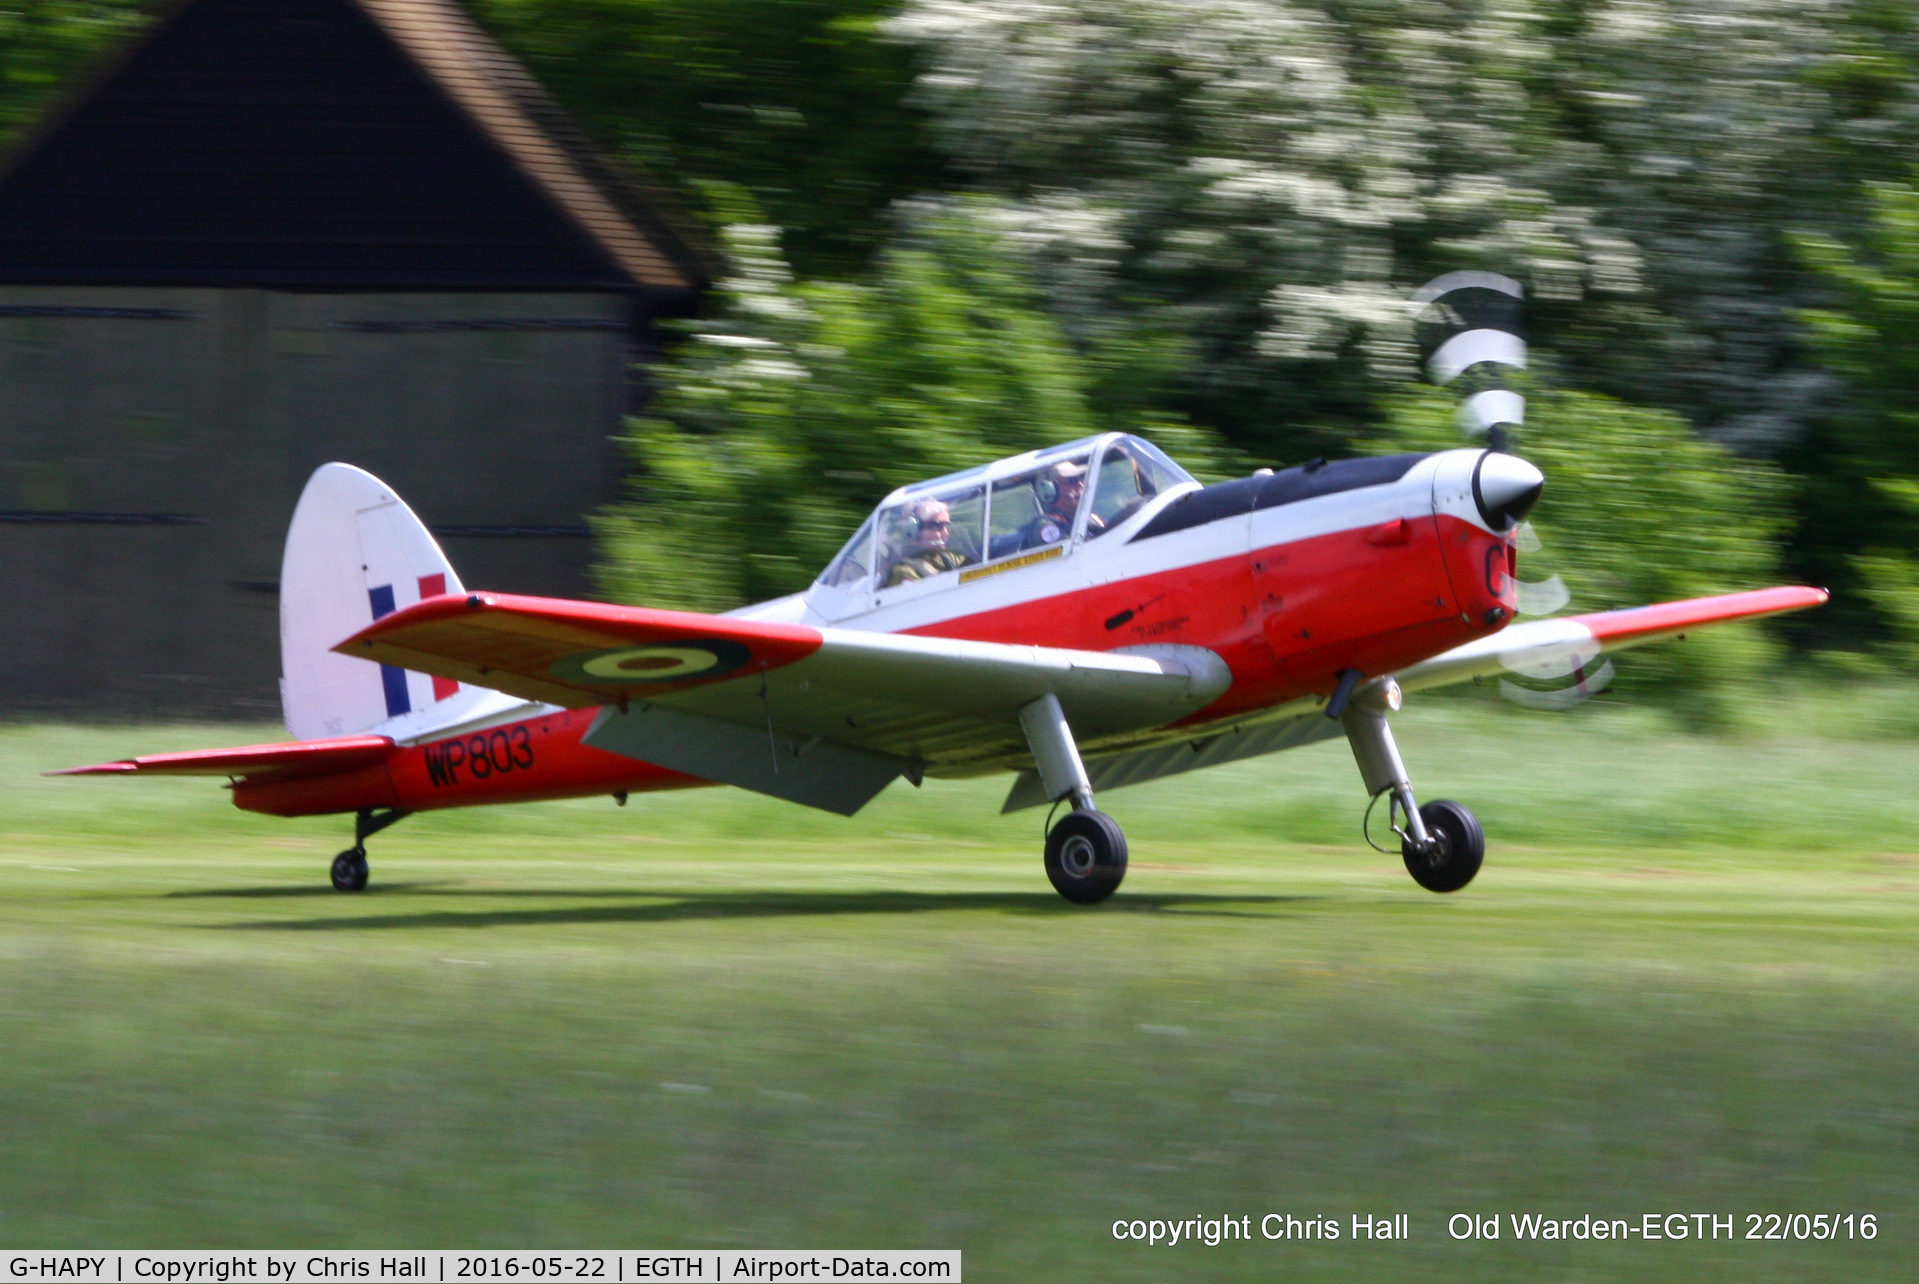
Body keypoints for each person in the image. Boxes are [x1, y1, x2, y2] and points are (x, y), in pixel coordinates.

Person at [1013, 459, 1102, 552]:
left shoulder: (1091, 519)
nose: (1081, 484)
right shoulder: (1047, 527)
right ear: (1050, 490)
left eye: (1081, 478)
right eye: (1072, 481)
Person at [883, 498, 971, 586]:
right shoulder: (904, 572)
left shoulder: (945, 557)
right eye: (936, 526)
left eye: (946, 525)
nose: (945, 532)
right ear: (914, 531)